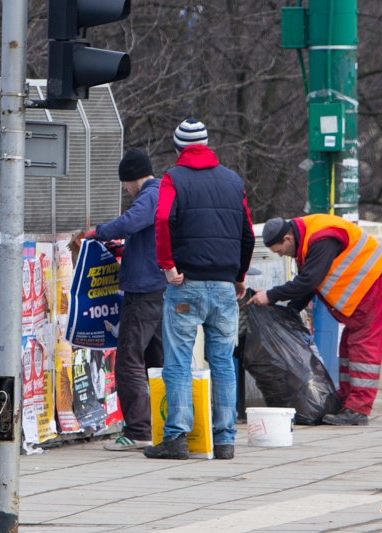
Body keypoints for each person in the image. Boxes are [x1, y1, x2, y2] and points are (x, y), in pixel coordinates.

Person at [143, 118, 254, 461]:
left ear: (178, 148)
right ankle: (224, 440)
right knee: (223, 361)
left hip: (185, 284)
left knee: (178, 359)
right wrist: (239, 275)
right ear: (207, 145)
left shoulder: (173, 178)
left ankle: (176, 437)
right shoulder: (233, 181)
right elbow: (248, 232)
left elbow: (162, 220)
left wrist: (167, 265)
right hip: (224, 287)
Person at [247, 214, 382, 427]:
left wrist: (271, 295)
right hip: (364, 289)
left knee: (363, 348)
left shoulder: (321, 238)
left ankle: (358, 409)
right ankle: (348, 401)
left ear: (287, 238)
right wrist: (293, 308)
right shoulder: (305, 238)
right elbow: (311, 281)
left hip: (373, 286)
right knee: (348, 347)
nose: (282, 255)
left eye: (279, 251)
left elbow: (309, 280)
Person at [88, 148, 167, 451]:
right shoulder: (162, 193)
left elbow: (132, 221)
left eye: (125, 182)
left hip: (145, 291)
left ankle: (137, 430)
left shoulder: (150, 194)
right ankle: (162, 426)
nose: (125, 188)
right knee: (158, 362)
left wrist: (99, 232)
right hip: (159, 289)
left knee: (129, 360)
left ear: (133, 177)